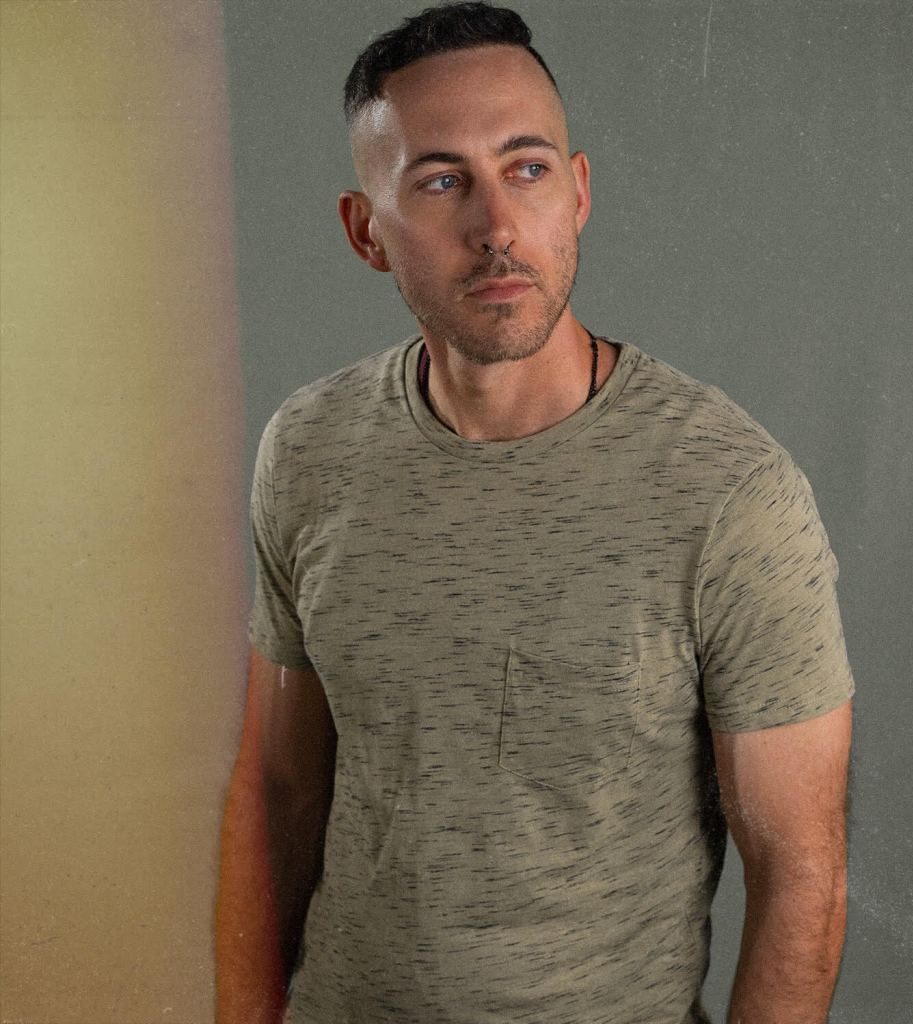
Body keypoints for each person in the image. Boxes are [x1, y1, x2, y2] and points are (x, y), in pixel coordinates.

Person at [215, 3, 855, 1023]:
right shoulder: (309, 448)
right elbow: (278, 793)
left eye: (527, 168)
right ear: (365, 231)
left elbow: (800, 872)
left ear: (580, 191)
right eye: (440, 181)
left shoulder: (729, 490)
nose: (497, 227)